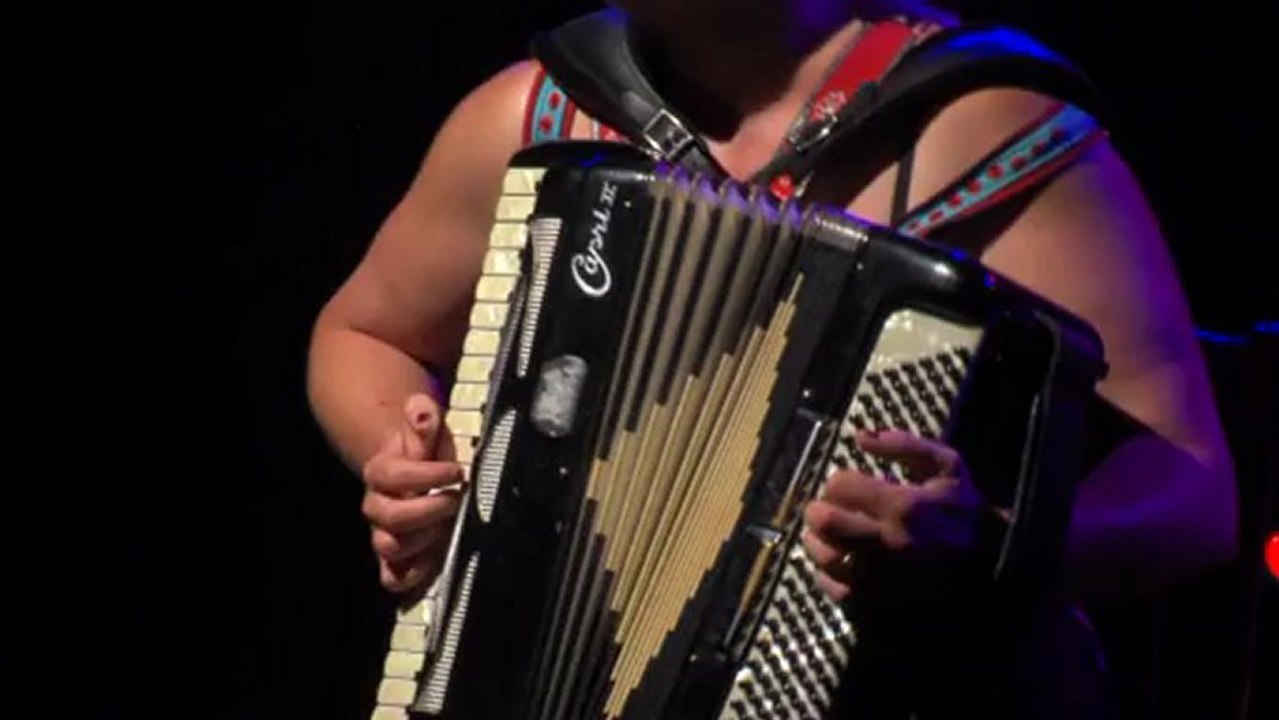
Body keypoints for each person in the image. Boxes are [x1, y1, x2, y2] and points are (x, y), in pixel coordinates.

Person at [306, 0, 1236, 654]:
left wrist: (989, 549)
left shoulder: (987, 125)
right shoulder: (533, 117)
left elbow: (1191, 495)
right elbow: (364, 333)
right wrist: (417, 464)